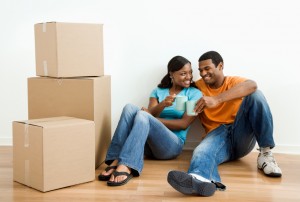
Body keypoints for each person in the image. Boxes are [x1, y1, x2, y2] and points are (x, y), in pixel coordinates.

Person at [167, 51, 282, 197]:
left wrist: (217, 99)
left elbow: (252, 85)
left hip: (241, 133)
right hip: (217, 136)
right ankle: (201, 179)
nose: (203, 73)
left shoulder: (233, 82)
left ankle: (265, 154)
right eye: (200, 70)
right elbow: (179, 84)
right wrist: (155, 109)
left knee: (256, 95)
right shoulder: (197, 87)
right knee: (201, 151)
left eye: (207, 68)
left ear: (220, 66)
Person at [98, 55, 202, 186]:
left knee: (142, 116)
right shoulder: (158, 91)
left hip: (172, 146)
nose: (189, 77)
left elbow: (184, 124)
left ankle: (127, 165)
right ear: (171, 74)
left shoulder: (195, 94)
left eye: (190, 72)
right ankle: (116, 158)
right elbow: (150, 113)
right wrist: (163, 104)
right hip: (148, 146)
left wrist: (151, 118)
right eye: (183, 73)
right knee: (129, 108)